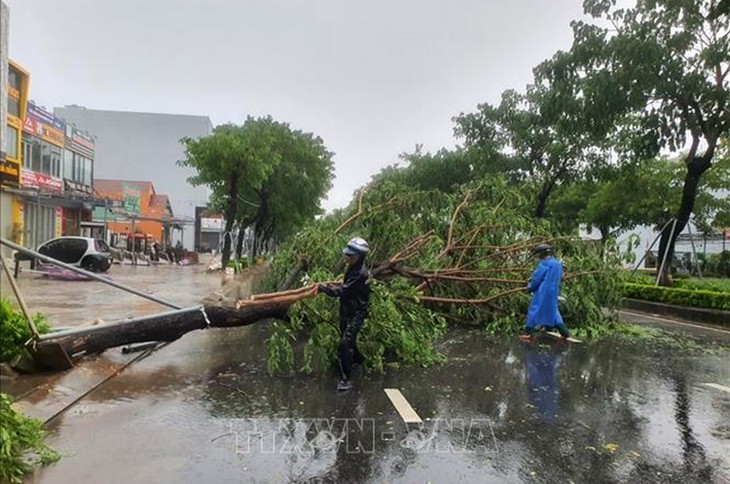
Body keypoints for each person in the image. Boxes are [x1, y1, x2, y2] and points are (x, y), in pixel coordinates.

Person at [317, 237, 370, 392]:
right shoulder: (352, 268)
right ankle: (359, 360)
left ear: (360, 257)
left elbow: (344, 290)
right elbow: (345, 286)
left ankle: (345, 379)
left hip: (356, 313)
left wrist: (324, 289)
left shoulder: (361, 273)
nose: (347, 258)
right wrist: (329, 285)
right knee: (348, 338)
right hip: (346, 310)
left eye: (350, 256)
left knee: (345, 343)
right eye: (347, 255)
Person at [519, 243, 570, 342]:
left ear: (542, 254)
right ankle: (565, 332)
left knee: (534, 309)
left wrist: (529, 287)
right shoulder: (557, 264)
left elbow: (536, 279)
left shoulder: (543, 264)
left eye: (538, 254)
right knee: (553, 311)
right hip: (553, 292)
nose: (538, 256)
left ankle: (527, 332)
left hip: (542, 292)